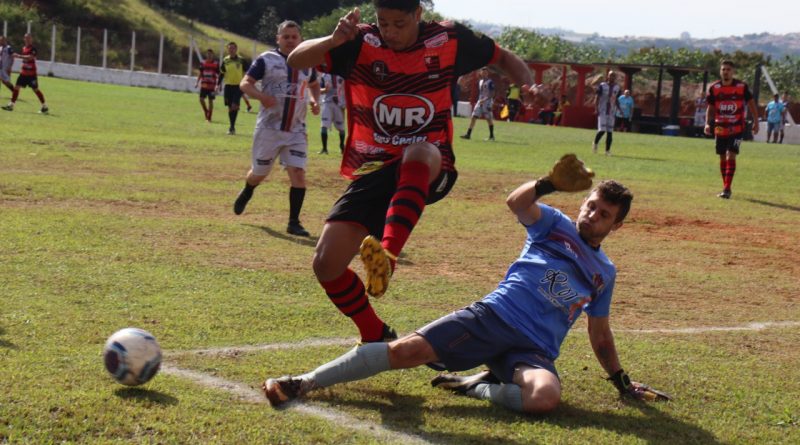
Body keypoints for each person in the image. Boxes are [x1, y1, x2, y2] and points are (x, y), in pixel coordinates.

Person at [263, 155, 671, 413]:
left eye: (603, 215)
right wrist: (548, 183)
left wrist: (620, 381)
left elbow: (600, 335)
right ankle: (303, 382)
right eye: (591, 205)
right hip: (492, 317)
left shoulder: (605, 274)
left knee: (546, 397)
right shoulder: (554, 226)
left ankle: (477, 386)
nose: (592, 215)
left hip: (533, 350)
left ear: (616, 226)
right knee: (408, 351)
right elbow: (517, 202)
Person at [286, 0, 535, 343]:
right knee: (326, 264)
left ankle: (388, 256)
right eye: (383, 23)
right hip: (374, 165)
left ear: (419, 14)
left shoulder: (448, 39)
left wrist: (526, 86)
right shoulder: (360, 42)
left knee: (418, 151)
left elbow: (503, 57)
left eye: (399, 24)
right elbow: (296, 59)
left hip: (430, 162)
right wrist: (332, 40)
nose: (390, 32)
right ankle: (375, 334)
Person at [232, 21, 321, 237]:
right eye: (286, 37)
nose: (290, 40)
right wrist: (262, 97)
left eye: (294, 37)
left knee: (298, 174)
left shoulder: (308, 62)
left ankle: (294, 222)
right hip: (269, 129)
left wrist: (314, 100)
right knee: (259, 173)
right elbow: (245, 83)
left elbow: (314, 84)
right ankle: (248, 188)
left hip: (296, 130)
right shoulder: (267, 60)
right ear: (278, 39)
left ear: (300, 39)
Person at [704, 60, 759, 199]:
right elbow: (710, 108)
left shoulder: (742, 87)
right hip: (720, 128)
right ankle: (726, 187)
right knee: (722, 156)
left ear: (733, 71)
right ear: (720, 71)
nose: (726, 72)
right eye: (723, 69)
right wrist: (707, 124)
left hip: (737, 128)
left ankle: (727, 188)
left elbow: (752, 104)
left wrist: (756, 121)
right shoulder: (714, 88)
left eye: (728, 69)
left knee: (731, 155)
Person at [2, 33, 47, 113]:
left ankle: (44, 106)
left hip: (31, 74)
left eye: (29, 38)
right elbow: (25, 59)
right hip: (23, 73)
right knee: (16, 88)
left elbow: (30, 57)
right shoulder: (24, 48)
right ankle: (11, 105)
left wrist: (19, 56)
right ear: (24, 39)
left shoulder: (33, 49)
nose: (27, 40)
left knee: (35, 89)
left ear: (31, 39)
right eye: (26, 38)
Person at [219, 42, 247, 135]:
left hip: (238, 86)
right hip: (228, 86)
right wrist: (218, 84)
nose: (231, 50)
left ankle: (231, 127)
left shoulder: (241, 60)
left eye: (233, 48)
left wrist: (247, 82)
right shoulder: (225, 60)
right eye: (230, 48)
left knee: (235, 105)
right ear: (228, 49)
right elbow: (222, 73)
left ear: (236, 49)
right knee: (230, 108)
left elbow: (248, 72)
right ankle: (232, 127)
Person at [461, 67, 496, 141]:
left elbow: (492, 93)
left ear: (487, 73)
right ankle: (468, 134)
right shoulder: (480, 81)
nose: (484, 73)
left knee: (488, 119)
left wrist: (485, 99)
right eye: (483, 72)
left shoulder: (490, 82)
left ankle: (492, 136)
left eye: (486, 72)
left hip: (487, 102)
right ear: (480, 73)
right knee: (473, 117)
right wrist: (480, 100)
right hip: (480, 102)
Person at [592, 70, 620, 155]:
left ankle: (607, 151)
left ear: (615, 78)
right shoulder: (602, 86)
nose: (612, 77)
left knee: (610, 132)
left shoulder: (617, 87)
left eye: (613, 76)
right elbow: (597, 97)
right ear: (608, 76)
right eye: (610, 75)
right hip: (602, 110)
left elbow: (616, 99)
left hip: (611, 111)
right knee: (602, 130)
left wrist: (619, 109)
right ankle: (595, 143)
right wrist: (596, 108)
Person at [318, 72, 346, 154]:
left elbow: (346, 89)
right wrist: (325, 90)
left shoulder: (342, 75)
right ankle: (324, 149)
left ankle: (342, 146)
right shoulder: (324, 76)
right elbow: (318, 89)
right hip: (327, 103)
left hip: (339, 104)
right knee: (324, 125)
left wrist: (344, 103)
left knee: (341, 127)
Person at [195, 49, 220, 123]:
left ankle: (209, 118)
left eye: (210, 54)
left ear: (213, 55)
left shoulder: (216, 64)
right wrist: (197, 82)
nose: (209, 55)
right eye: (208, 54)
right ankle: (206, 111)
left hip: (212, 85)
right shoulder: (202, 63)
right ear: (206, 54)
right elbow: (200, 73)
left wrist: (219, 85)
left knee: (210, 101)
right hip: (204, 84)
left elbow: (219, 75)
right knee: (201, 99)